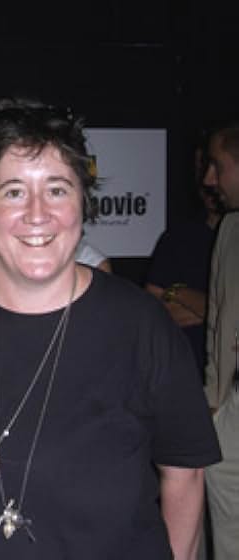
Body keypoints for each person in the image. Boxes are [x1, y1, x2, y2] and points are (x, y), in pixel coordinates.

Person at [0, 97, 221, 559]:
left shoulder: (139, 326)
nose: (37, 214)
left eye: (57, 189)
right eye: (13, 191)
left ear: (83, 204)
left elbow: (185, 473)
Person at [146, 143, 225, 375]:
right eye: (201, 169)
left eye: (216, 168)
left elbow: (229, 317)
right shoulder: (178, 237)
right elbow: (154, 313)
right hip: (184, 374)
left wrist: (177, 292)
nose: (208, 180)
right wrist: (216, 312)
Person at [202, 118, 239, 560]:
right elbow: (216, 320)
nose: (210, 179)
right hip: (232, 406)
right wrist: (214, 398)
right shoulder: (229, 230)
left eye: (218, 165)